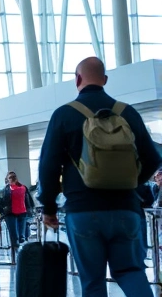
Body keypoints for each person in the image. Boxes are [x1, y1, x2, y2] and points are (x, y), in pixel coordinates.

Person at [38, 57, 162, 297]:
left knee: (93, 281)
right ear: (105, 80)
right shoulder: (127, 113)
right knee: (130, 271)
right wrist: (132, 183)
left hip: (83, 210)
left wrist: (49, 207)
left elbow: (48, 165)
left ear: (77, 79)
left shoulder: (64, 115)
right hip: (126, 207)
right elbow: (153, 157)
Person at [2, 171, 34, 249]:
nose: (13, 178)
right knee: (14, 236)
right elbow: (3, 202)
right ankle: (15, 255)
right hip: (10, 214)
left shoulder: (23, 187)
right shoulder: (6, 189)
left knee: (21, 236)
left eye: (14, 176)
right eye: (10, 177)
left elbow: (28, 200)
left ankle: (20, 251)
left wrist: (30, 210)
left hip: (22, 213)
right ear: (7, 179)